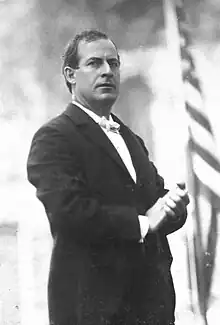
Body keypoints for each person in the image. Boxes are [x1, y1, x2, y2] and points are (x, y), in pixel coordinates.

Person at [27, 30, 189, 325]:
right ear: (71, 74)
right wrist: (142, 223)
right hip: (93, 311)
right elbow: (69, 211)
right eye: (94, 63)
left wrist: (174, 208)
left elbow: (155, 205)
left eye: (113, 64)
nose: (107, 72)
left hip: (151, 309)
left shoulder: (130, 139)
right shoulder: (54, 138)